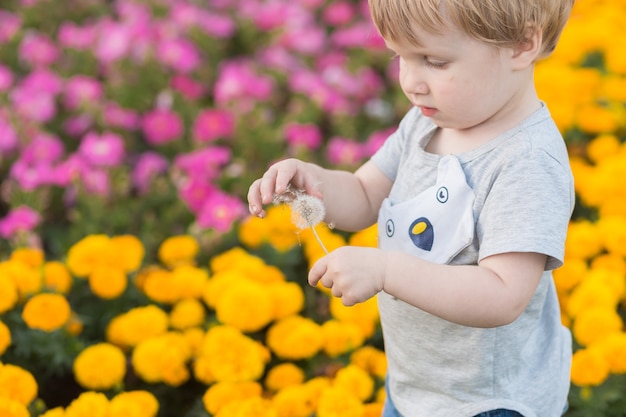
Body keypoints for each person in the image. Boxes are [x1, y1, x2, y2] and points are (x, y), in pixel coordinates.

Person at [247, 0, 575, 415]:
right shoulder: (428, 122)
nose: (411, 82)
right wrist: (314, 184)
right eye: (400, 57)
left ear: (521, 45)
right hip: (415, 386)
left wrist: (385, 271)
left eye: (435, 62)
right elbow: (366, 194)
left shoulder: (525, 162)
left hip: (487, 402)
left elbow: (503, 294)